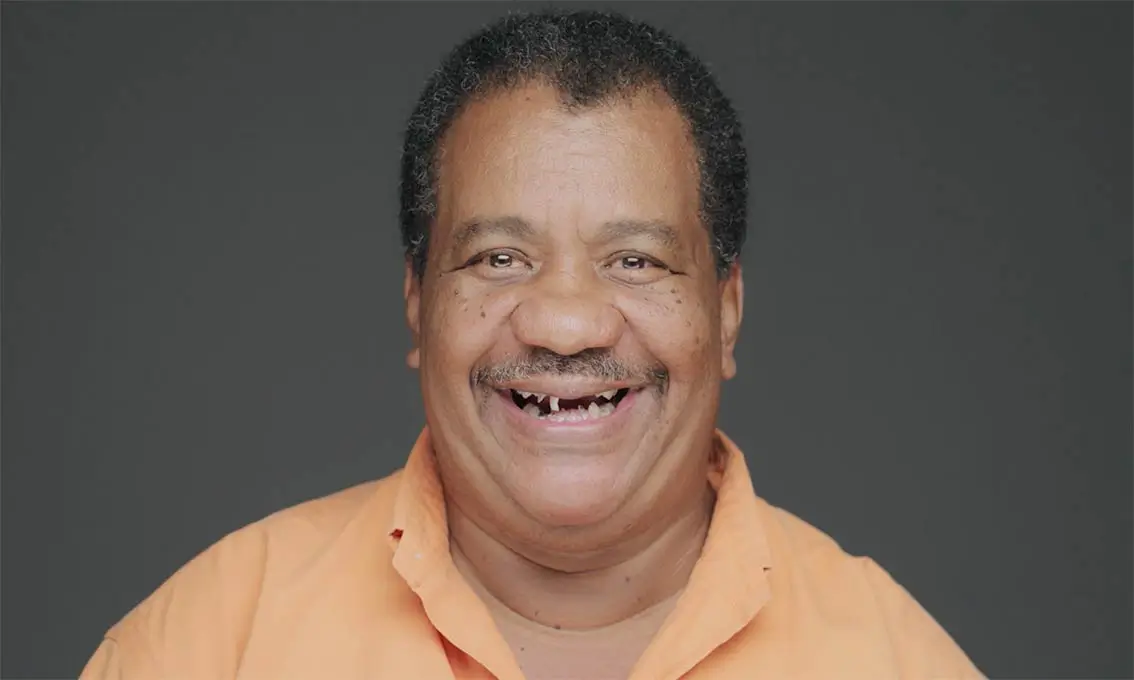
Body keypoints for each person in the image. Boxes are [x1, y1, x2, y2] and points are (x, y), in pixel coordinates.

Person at [80, 9, 983, 680]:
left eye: (635, 260)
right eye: (499, 257)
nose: (564, 323)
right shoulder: (211, 644)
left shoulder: (895, 661)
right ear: (415, 303)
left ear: (727, 309)